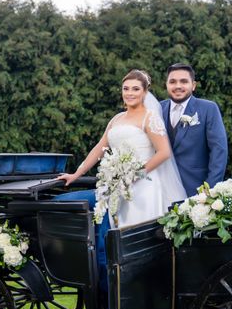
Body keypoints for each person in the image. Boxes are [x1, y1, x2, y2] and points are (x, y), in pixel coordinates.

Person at [57, 69, 186, 228]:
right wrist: (76, 174)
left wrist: (136, 174)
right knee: (99, 219)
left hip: (142, 186)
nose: (130, 93)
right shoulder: (117, 118)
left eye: (135, 89)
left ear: (145, 92)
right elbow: (100, 148)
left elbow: (164, 152)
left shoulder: (149, 117)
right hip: (115, 184)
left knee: (129, 232)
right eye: (126, 88)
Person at [161, 63, 228, 196]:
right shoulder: (157, 109)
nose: (178, 86)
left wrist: (209, 189)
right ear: (166, 84)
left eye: (184, 81)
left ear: (193, 85)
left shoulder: (208, 109)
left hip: (196, 190)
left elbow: (219, 151)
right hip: (161, 192)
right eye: (172, 81)